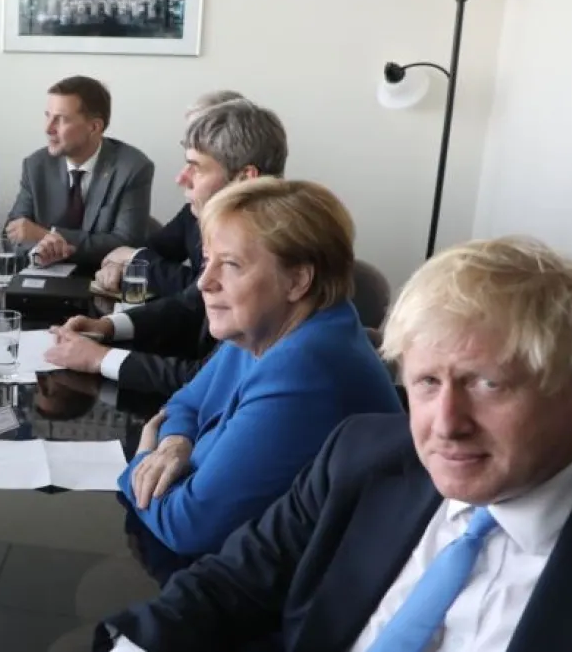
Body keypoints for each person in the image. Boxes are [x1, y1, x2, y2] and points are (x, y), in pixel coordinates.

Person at [97, 236, 572, 652]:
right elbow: (231, 585)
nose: (446, 423)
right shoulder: (363, 455)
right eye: (425, 382)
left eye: (488, 384)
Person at [108, 178, 399, 558]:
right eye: (208, 260)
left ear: (297, 280)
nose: (204, 283)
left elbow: (187, 526)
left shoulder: (307, 368)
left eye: (230, 265)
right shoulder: (263, 329)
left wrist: (142, 461)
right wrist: (175, 442)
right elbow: (184, 403)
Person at [48, 98, 289, 397]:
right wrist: (107, 326)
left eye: (195, 168)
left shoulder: (268, 256)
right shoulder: (242, 234)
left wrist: (100, 359)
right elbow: (190, 305)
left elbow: (208, 384)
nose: (180, 178)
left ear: (244, 178)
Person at [95, 92, 284, 297]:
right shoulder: (199, 207)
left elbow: (199, 294)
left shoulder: (264, 239)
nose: (181, 178)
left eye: (197, 163)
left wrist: (134, 258)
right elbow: (159, 250)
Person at [5, 76, 154, 267]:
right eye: (47, 116)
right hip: (45, 278)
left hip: (103, 281)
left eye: (61, 119)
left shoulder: (132, 168)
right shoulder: (36, 165)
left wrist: (46, 235)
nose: (48, 128)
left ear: (94, 127)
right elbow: (14, 232)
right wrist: (38, 250)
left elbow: (127, 243)